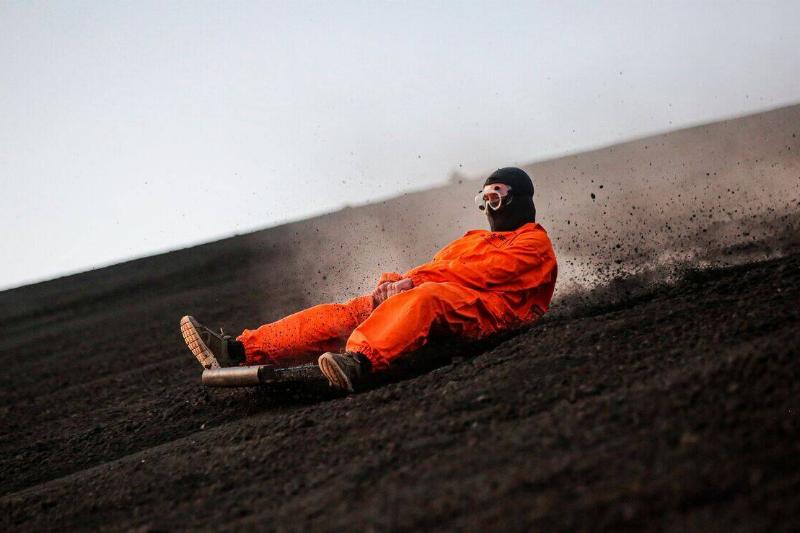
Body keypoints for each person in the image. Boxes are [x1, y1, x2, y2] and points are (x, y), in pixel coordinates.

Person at [180, 167, 557, 392]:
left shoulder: (534, 243)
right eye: (484, 197)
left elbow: (480, 275)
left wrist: (410, 284)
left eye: (497, 196)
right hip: (450, 299)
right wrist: (390, 286)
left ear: (518, 199)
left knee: (429, 297)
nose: (488, 206)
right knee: (357, 308)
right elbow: (438, 266)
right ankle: (239, 350)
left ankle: (359, 362)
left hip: (496, 313)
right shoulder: (473, 239)